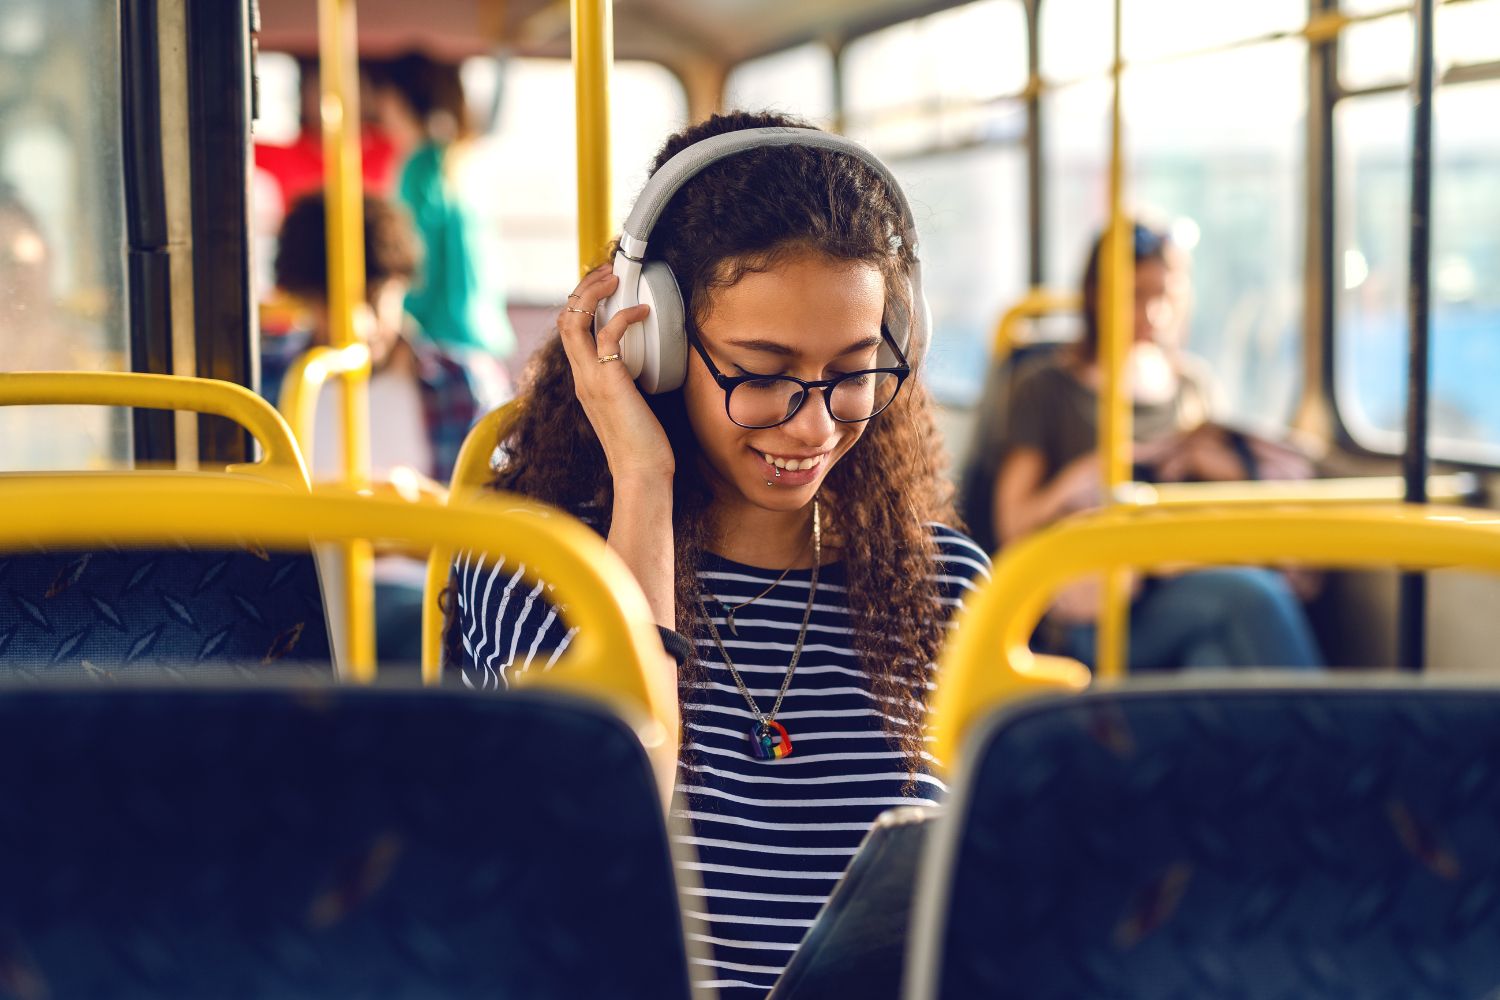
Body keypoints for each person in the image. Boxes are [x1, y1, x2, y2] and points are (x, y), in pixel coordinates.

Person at [446, 112, 990, 999]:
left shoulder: (945, 586)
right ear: (655, 345)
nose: (814, 426)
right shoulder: (531, 560)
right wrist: (641, 478)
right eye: (762, 371)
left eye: (854, 369)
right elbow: (605, 808)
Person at [987, 221, 1323, 671]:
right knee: (1257, 596)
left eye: (1165, 296)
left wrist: (1211, 465)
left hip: (1178, 574)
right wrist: (1081, 480)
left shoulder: (1191, 386)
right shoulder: (1046, 387)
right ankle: (1332, 738)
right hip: (1096, 598)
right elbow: (1012, 524)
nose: (1153, 313)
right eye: (1135, 295)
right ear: (1098, 295)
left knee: (1213, 665)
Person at [262, 192, 509, 663]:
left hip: (426, 600)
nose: (356, 323)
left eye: (373, 297)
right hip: (299, 603)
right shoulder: (268, 383)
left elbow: (511, 530)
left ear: (403, 284)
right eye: (327, 302)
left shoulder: (463, 386)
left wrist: (425, 519)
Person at [371, 52, 515, 359]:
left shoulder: (419, 169)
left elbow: (415, 264)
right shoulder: (459, 160)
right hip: (480, 335)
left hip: (441, 339)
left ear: (398, 102)